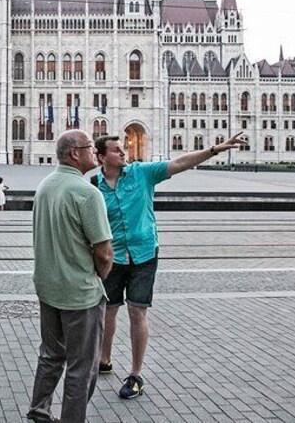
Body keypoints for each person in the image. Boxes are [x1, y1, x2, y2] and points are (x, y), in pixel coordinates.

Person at [92, 131, 246, 399]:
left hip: (144, 254)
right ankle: (104, 360)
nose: (123, 152)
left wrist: (215, 150)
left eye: (122, 148)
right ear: (102, 157)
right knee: (108, 311)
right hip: (112, 257)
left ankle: (136, 375)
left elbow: (179, 163)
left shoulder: (142, 173)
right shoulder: (94, 186)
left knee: (137, 312)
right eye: (117, 150)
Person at [27, 130, 113, 423]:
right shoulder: (88, 193)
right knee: (82, 367)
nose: (95, 153)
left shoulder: (45, 185)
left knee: (51, 355)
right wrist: (99, 276)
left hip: (48, 288)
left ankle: (39, 411)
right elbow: (104, 252)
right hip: (80, 294)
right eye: (91, 147)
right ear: (75, 153)